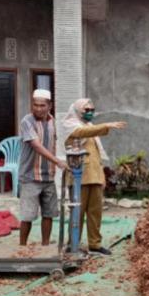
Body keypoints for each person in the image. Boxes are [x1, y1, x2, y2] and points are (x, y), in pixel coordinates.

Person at [56, 98, 126, 256]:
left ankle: (95, 244)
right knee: (77, 212)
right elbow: (80, 133)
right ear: (77, 110)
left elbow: (97, 156)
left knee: (96, 212)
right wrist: (106, 125)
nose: (90, 113)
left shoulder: (91, 126)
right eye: (86, 110)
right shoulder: (70, 124)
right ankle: (73, 244)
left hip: (94, 175)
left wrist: (101, 177)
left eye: (91, 110)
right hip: (78, 175)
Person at [18, 89, 68, 246]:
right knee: (28, 215)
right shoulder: (27, 121)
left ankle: (45, 245)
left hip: (48, 176)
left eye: (42, 105)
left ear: (49, 106)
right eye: (35, 105)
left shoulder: (53, 122)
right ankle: (22, 247)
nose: (38, 108)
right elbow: (36, 146)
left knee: (49, 213)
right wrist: (58, 161)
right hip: (30, 176)